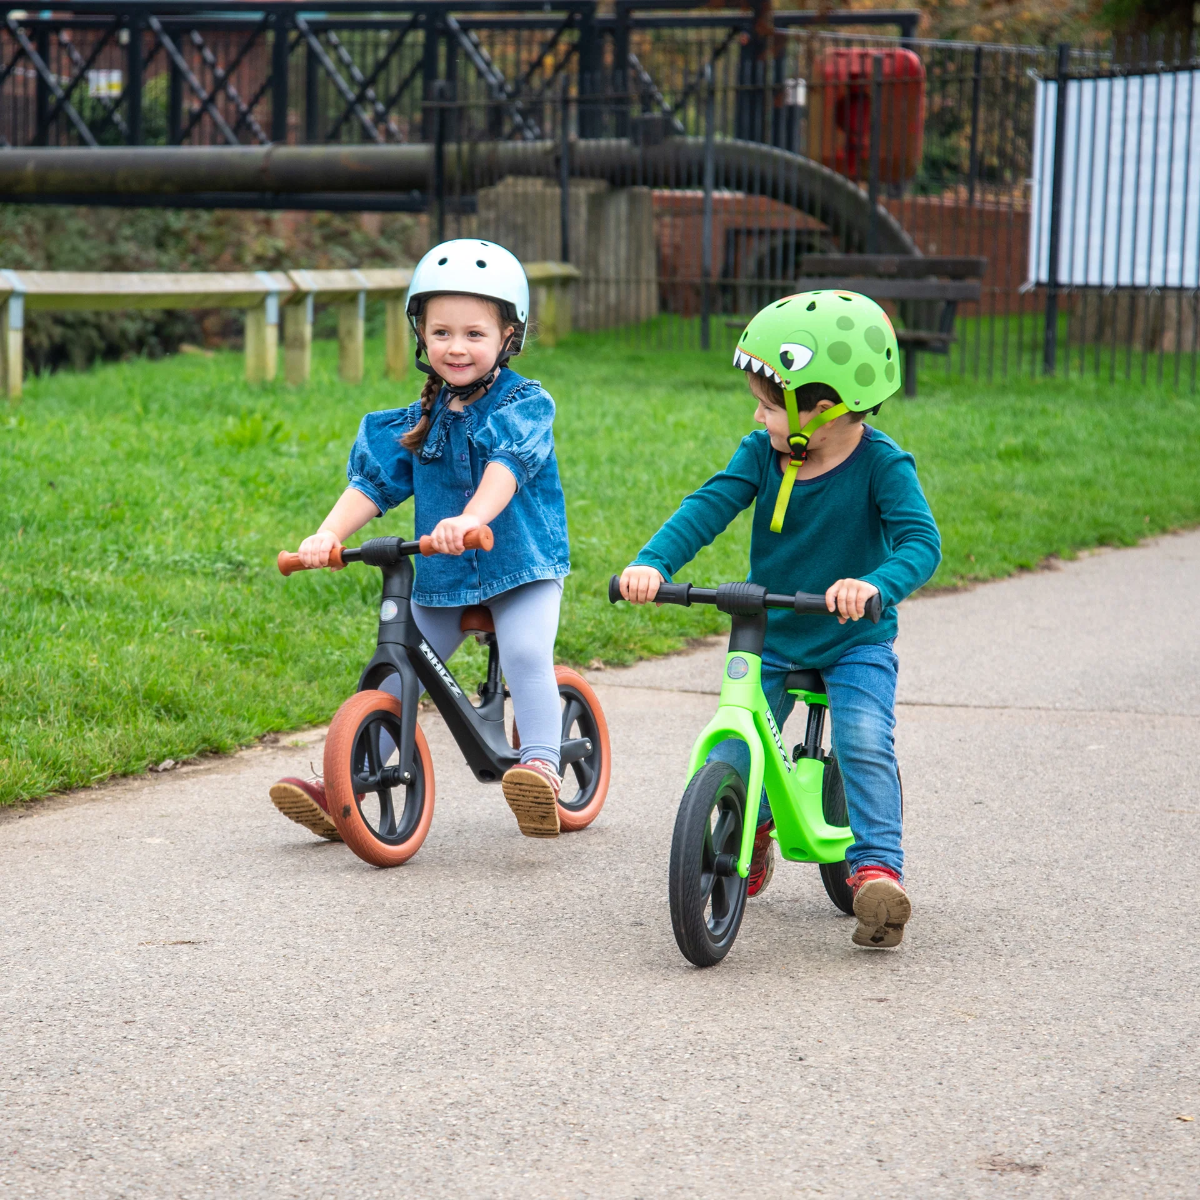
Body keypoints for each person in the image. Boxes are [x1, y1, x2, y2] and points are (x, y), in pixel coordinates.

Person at [619, 292, 941, 948]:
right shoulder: (762, 453)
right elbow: (711, 504)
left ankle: (878, 870)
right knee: (736, 743)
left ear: (823, 409)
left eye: (768, 404)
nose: (757, 413)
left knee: (861, 739)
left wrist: (874, 585)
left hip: (854, 638)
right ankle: (748, 823)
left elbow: (920, 544)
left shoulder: (883, 466)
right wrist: (653, 562)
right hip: (773, 629)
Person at [270, 239, 570, 840]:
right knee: (389, 673)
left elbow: (506, 468)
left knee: (526, 655)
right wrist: (326, 534)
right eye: (441, 332)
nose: (456, 347)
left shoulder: (525, 404)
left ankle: (543, 763)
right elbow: (373, 485)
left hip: (522, 567)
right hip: (446, 578)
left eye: (474, 334)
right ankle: (347, 788)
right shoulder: (419, 419)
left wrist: (471, 516)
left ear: (509, 337)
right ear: (421, 336)